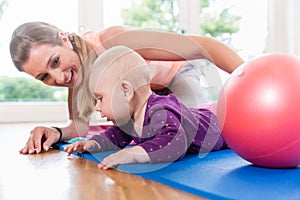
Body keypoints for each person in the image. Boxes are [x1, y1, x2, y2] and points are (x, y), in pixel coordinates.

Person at [10, 21, 243, 155]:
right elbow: (78, 128)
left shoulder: (112, 41)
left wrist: (250, 74)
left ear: (64, 38)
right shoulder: (75, 79)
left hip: (174, 81)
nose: (59, 78)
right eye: (44, 77)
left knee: (188, 136)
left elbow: (203, 46)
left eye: (55, 62)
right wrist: (56, 132)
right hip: (143, 104)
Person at [64, 46, 227, 169]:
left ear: (126, 91)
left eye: (100, 98)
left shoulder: (161, 110)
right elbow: (115, 136)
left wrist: (133, 154)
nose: (97, 107)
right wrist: (90, 144)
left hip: (220, 126)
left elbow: (175, 142)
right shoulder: (129, 119)